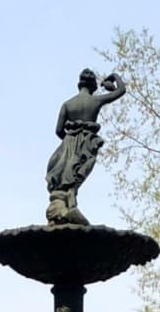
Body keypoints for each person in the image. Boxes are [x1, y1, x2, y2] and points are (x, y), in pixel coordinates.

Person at [45, 69, 126, 224]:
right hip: (86, 144)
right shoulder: (95, 101)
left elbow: (58, 130)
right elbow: (121, 90)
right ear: (93, 85)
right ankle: (69, 205)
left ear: (79, 84)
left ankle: (64, 206)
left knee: (64, 174)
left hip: (67, 143)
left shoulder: (67, 104)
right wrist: (114, 76)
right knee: (77, 173)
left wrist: (69, 141)